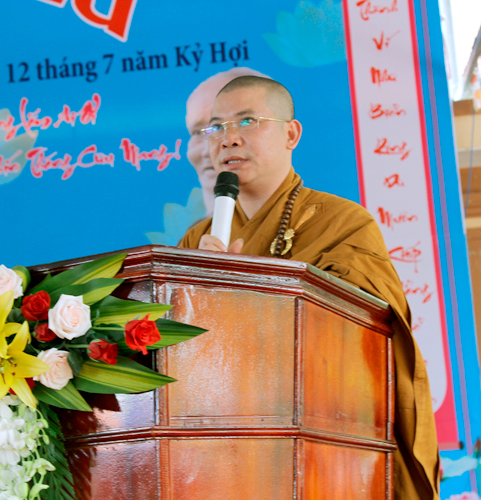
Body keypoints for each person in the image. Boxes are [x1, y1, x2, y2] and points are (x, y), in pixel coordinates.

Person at [179, 76, 440, 500]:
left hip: (322, 447)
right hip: (224, 451)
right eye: (216, 127)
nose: (228, 139)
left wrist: (245, 291)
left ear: (291, 134)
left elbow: (358, 344)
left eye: (247, 121)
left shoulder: (343, 224)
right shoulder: (197, 240)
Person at [185, 67, 268, 217]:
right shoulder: (195, 232)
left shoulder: (308, 222)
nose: (209, 151)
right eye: (198, 132)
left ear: (289, 135)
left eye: (244, 123)